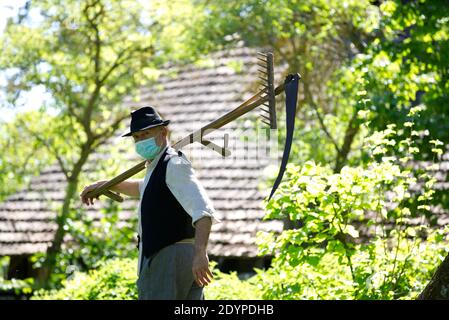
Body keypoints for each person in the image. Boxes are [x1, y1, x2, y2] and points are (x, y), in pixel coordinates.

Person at [80, 106, 220, 300]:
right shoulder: (158, 167)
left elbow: (203, 210)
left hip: (169, 258)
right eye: (136, 137)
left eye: (146, 134)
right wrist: (105, 185)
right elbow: (142, 187)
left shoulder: (173, 164)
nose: (140, 140)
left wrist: (200, 253)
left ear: (163, 132)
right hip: (177, 258)